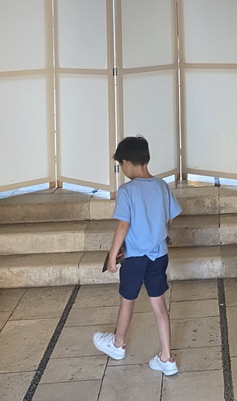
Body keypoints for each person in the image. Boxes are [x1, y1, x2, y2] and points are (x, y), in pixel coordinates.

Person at [93, 135, 182, 375]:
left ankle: (117, 344)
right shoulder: (162, 185)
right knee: (159, 304)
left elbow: (123, 225)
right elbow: (171, 217)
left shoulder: (127, 191)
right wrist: (158, 230)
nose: (122, 170)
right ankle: (166, 358)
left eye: (121, 165)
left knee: (127, 301)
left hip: (134, 258)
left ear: (128, 163)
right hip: (159, 255)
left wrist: (112, 256)